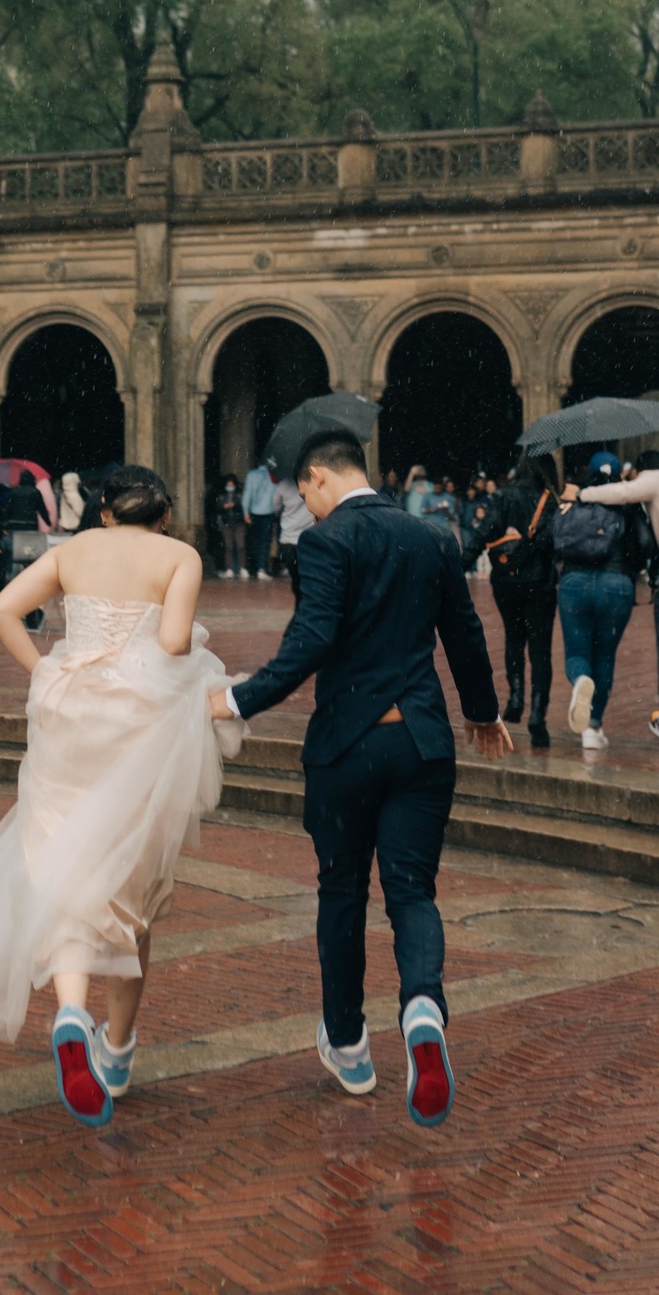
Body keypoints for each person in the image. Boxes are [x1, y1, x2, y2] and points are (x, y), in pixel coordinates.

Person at [211, 429, 508, 1128]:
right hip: (423, 743)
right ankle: (423, 1009)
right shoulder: (432, 536)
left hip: (348, 746)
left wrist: (238, 698)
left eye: (302, 492)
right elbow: (463, 632)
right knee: (412, 890)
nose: (303, 506)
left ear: (319, 477)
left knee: (342, 893)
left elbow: (312, 640)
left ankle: (347, 1042)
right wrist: (483, 711)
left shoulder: (326, 541)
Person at [0, 466, 243, 1128]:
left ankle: (72, 1012)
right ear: (164, 515)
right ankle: (116, 1050)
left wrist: (48, 669)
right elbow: (171, 643)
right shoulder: (179, 556)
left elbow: (0, 608)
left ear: (104, 511)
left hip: (70, 720)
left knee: (65, 867)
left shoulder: (74, 548)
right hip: (137, 726)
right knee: (132, 888)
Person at [562, 450, 659, 739]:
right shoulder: (629, 508)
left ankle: (580, 679)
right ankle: (594, 725)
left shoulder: (577, 498)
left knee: (578, 651)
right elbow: (642, 542)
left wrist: (580, 494)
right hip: (617, 584)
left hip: (574, 582)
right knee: (605, 654)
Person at [463, 454, 559, 746]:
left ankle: (515, 696)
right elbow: (554, 541)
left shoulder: (503, 496)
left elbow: (482, 534)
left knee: (513, 638)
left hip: (505, 580)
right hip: (540, 582)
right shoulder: (549, 500)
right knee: (541, 649)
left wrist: (459, 565)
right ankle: (537, 716)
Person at [271, 475, 314, 607]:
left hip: (288, 539)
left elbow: (275, 506)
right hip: (309, 538)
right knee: (308, 580)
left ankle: (299, 605)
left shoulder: (283, 484)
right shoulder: (311, 482)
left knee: (296, 578)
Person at [242, 461, 277, 578]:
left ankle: (250, 567)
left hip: (253, 512)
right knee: (265, 541)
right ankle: (261, 568)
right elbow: (276, 495)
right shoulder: (274, 475)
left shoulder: (251, 474)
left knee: (252, 540)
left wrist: (245, 511)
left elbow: (247, 493)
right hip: (268, 512)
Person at [216, 474, 247, 579]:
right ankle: (229, 568)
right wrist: (224, 506)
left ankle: (242, 568)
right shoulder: (221, 495)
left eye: (231, 484)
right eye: (228, 484)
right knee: (228, 546)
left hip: (238, 523)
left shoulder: (240, 495)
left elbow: (244, 506)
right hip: (226, 523)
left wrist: (235, 504)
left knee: (240, 546)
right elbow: (217, 507)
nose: (230, 486)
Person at [3, 468, 50, 536]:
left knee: (16, 544)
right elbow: (41, 508)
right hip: (31, 523)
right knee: (29, 543)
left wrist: (5, 522)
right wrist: (47, 521)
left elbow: (8, 508)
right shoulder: (35, 492)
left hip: (15, 524)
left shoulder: (13, 491)